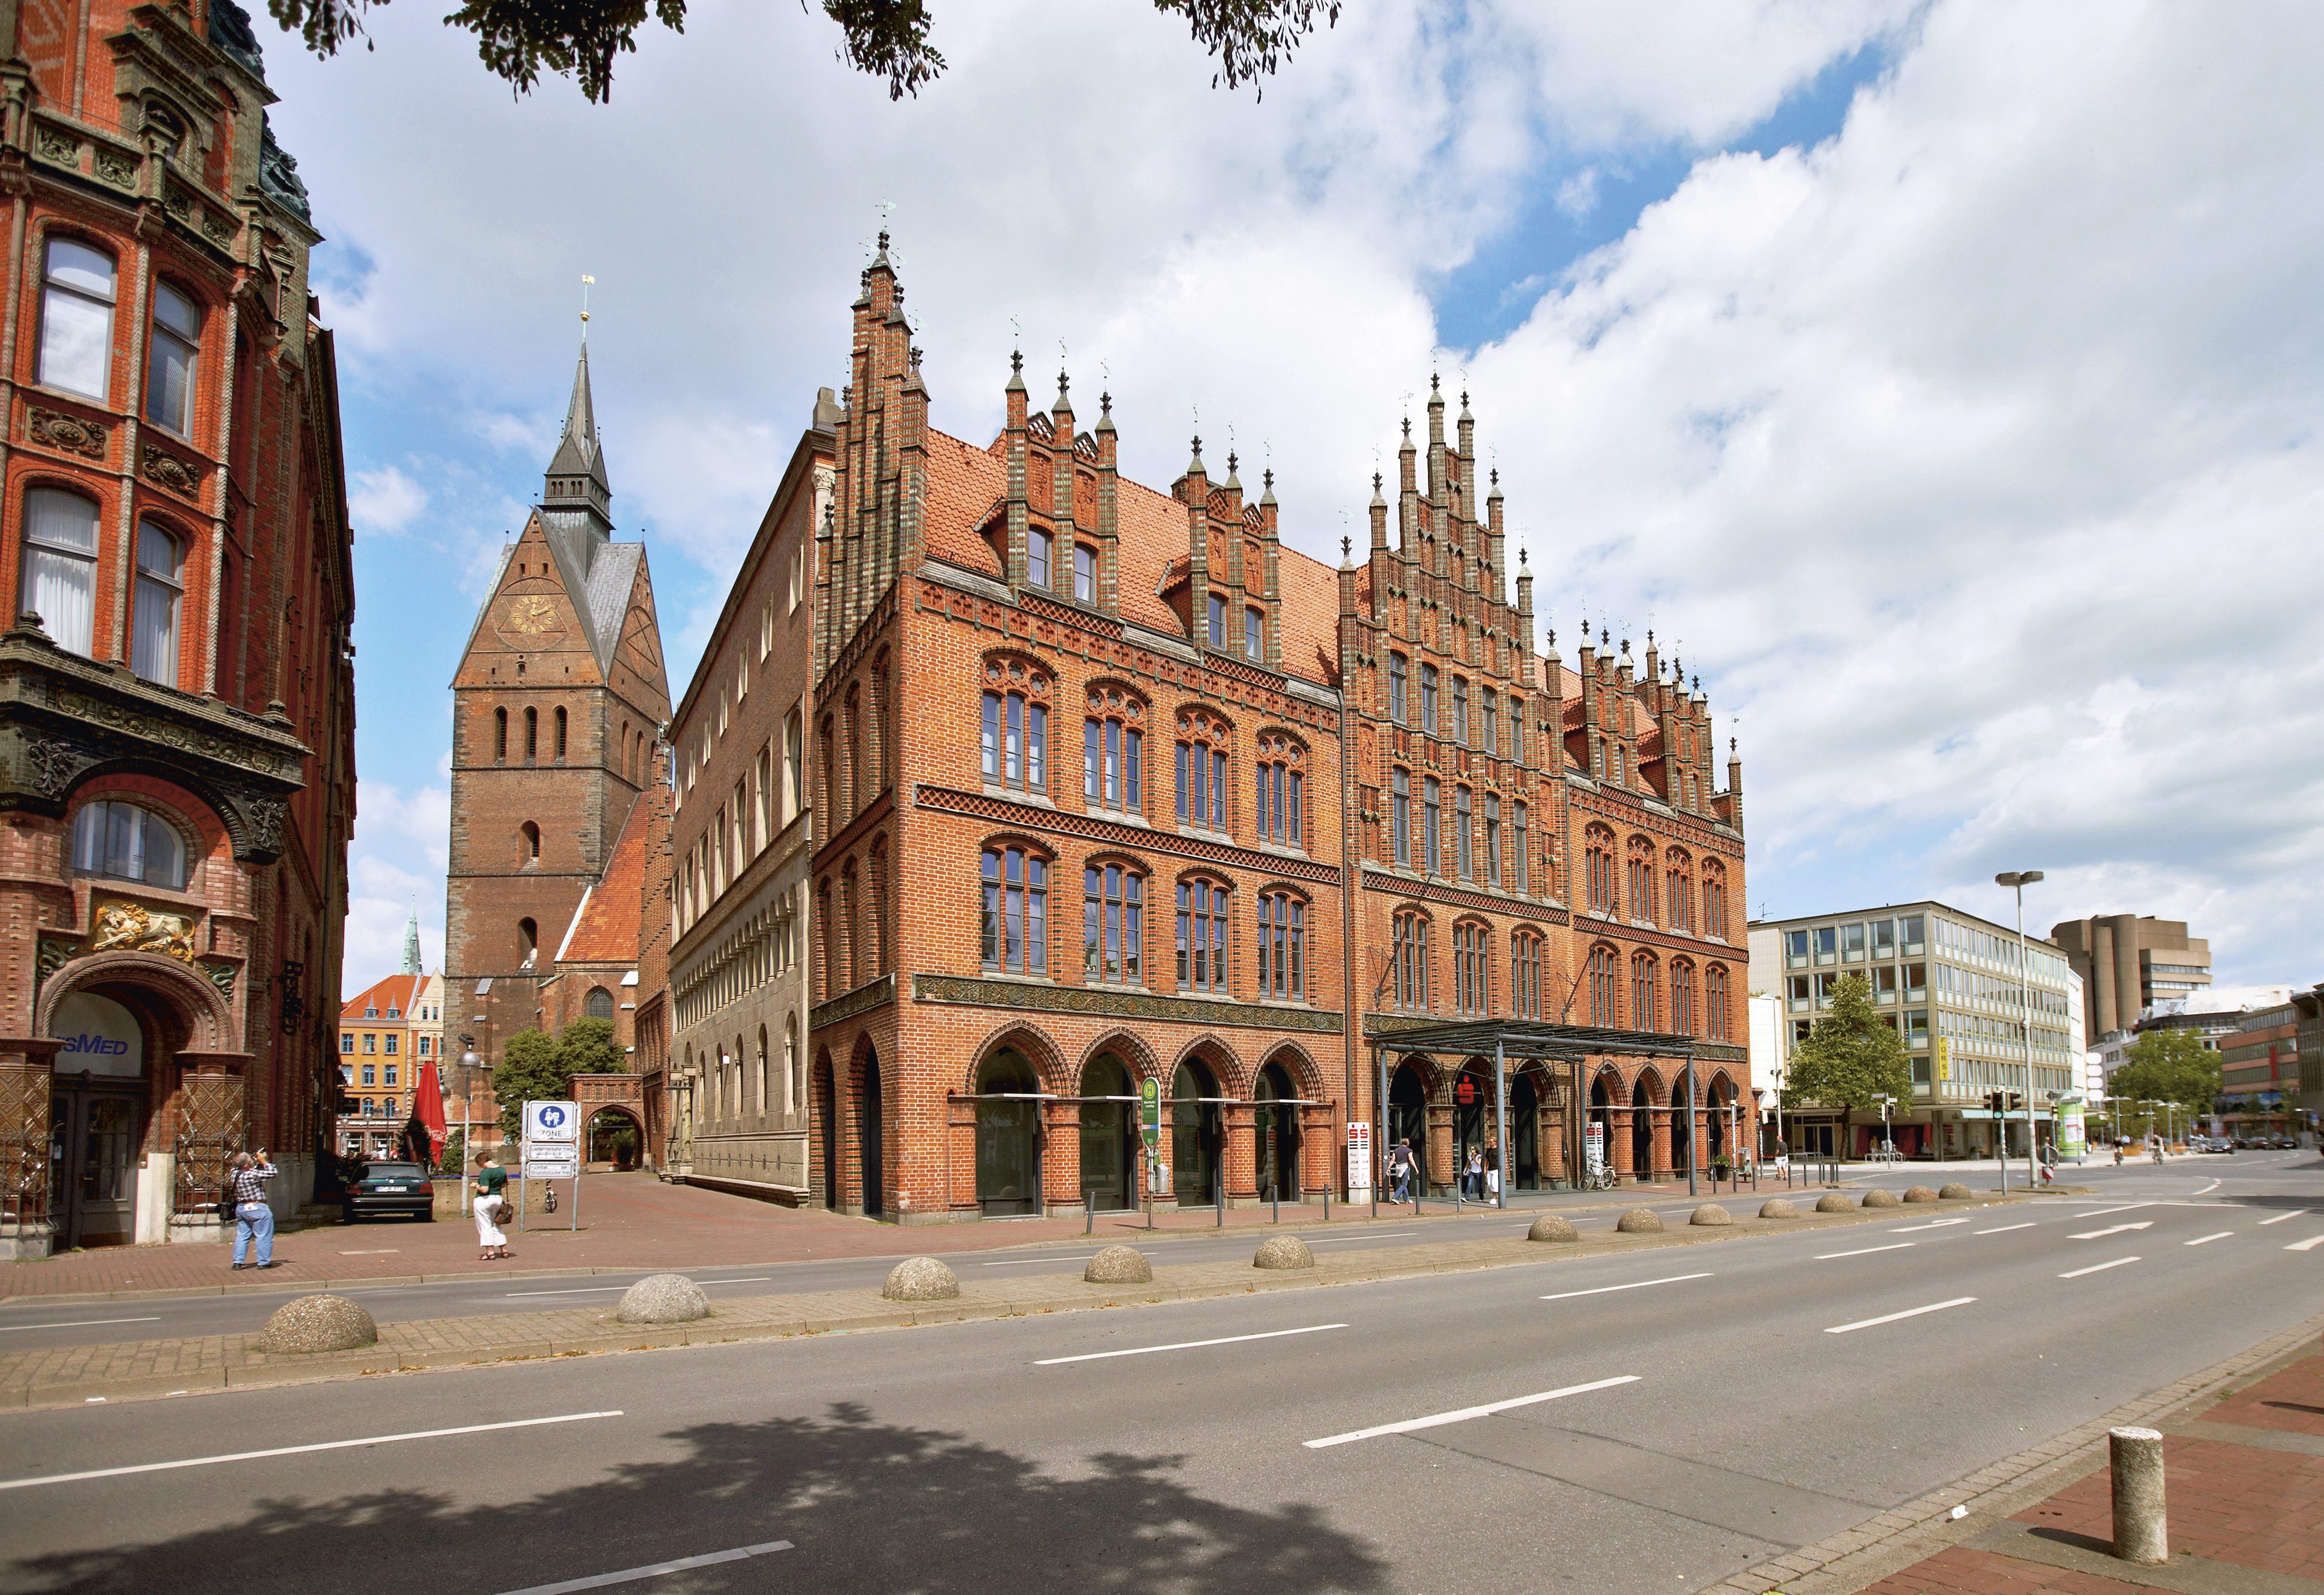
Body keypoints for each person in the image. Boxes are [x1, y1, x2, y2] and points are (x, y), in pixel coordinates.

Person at [229, 1149, 278, 1269]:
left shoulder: (234, 1174)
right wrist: (264, 1161)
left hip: (241, 1208)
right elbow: (273, 1173)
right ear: (248, 1163)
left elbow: (253, 1171)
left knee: (242, 1236)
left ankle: (237, 1262)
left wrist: (256, 1163)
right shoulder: (251, 1175)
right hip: (257, 1208)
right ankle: (263, 1262)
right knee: (263, 1235)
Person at [473, 1153, 510, 1260]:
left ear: (481, 1162)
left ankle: (490, 1252)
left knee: (485, 1226)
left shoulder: (485, 1172)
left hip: (484, 1200)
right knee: (495, 1224)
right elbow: (504, 1185)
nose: (481, 1167)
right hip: (497, 1199)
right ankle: (504, 1250)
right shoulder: (502, 1170)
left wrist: (476, 1185)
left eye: (480, 1165)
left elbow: (484, 1190)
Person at [1387, 1139, 1415, 1207]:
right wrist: (1416, 1168)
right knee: (1404, 1184)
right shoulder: (1409, 1151)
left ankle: (1407, 1199)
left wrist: (1389, 1168)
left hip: (1398, 1168)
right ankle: (1395, 1197)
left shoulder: (1396, 1150)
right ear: (1407, 1143)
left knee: (1403, 1184)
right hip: (1405, 1167)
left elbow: (1393, 1160)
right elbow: (1411, 1160)